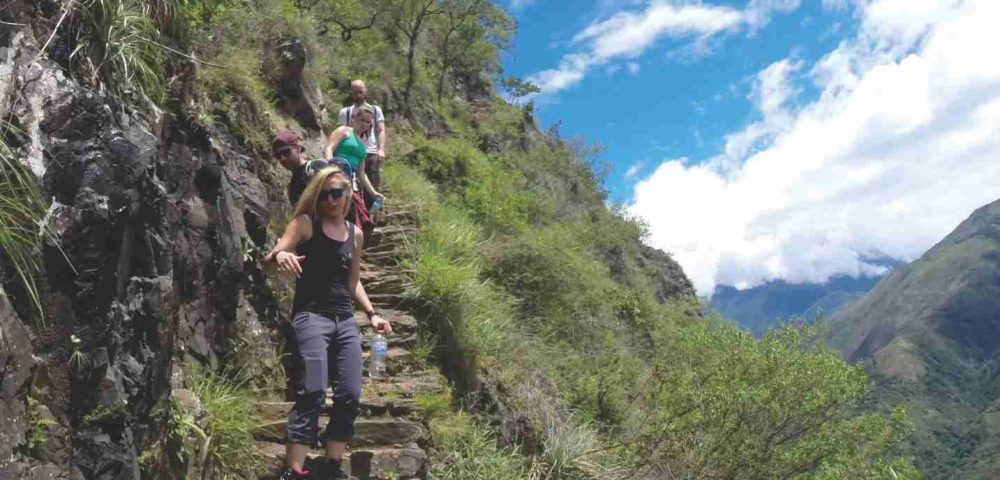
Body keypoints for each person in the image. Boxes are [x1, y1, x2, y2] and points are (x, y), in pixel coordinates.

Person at [266, 167, 392, 480]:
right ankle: (294, 470)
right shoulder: (305, 223)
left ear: (348, 194)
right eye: (323, 194)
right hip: (311, 317)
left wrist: (372, 314)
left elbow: (353, 281)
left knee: (350, 392)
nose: (330, 200)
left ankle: (331, 465)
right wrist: (280, 256)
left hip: (344, 320)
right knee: (313, 389)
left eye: (336, 193)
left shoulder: (355, 234)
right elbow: (274, 255)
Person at [325, 105, 383, 242]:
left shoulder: (362, 146)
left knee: (352, 215)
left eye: (368, 122)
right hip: (336, 174)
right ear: (354, 118)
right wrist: (331, 168)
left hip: (350, 182)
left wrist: (373, 192)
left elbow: (361, 173)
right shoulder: (343, 131)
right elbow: (329, 149)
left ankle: (348, 243)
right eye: (362, 120)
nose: (365, 124)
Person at [337, 80, 387, 212]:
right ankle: (355, 215)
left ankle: (371, 216)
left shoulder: (375, 110)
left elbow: (381, 130)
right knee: (350, 190)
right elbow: (340, 134)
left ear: (366, 91)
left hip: (370, 152)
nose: (358, 95)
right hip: (352, 155)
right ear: (351, 93)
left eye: (360, 92)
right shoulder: (345, 112)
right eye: (355, 92)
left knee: (372, 187)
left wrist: (381, 149)